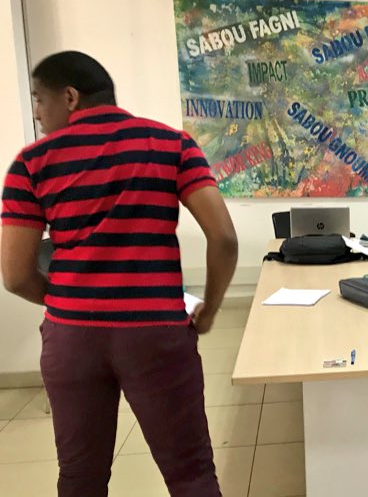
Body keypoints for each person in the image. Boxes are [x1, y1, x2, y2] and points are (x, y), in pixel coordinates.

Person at [1, 51, 238, 496]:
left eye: (39, 99)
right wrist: (208, 311)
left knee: (80, 477)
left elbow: (14, 276)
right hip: (157, 332)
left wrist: (69, 301)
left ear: (70, 97)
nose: (37, 113)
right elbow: (223, 238)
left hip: (72, 339)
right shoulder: (171, 144)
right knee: (191, 474)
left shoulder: (31, 162)